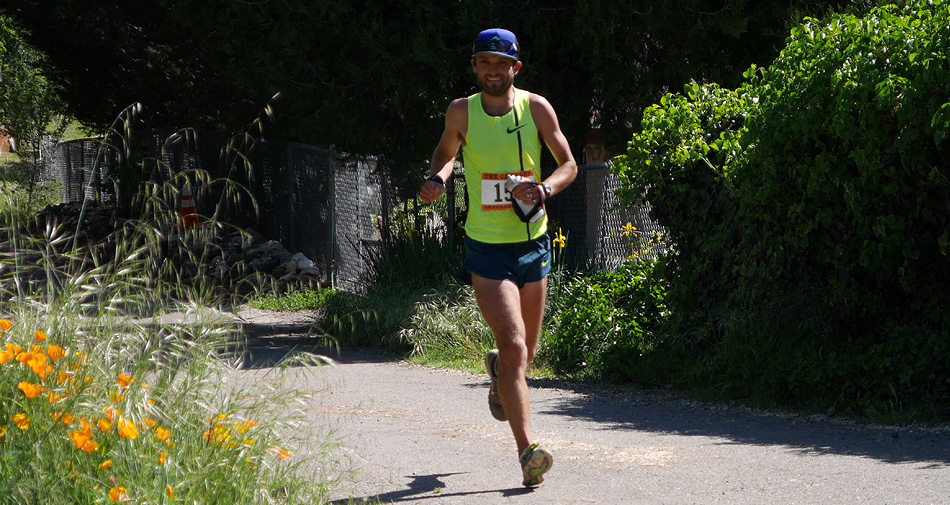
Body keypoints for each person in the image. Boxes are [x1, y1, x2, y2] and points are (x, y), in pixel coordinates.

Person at [419, 28, 577, 487]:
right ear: (474, 67)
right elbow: (446, 155)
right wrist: (438, 178)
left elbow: (567, 163)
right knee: (512, 345)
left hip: (533, 242)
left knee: (525, 354)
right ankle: (528, 451)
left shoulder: (537, 108)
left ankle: (498, 374)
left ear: (515, 68)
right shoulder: (461, 111)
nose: (492, 70)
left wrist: (546, 188)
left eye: (500, 63)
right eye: (483, 63)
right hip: (485, 246)